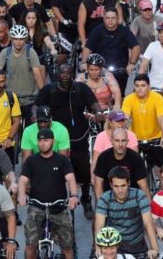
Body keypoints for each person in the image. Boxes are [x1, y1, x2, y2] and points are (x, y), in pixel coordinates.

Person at [35, 63, 104, 218]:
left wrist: (98, 112)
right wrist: (35, 116)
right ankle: (57, 201)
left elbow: (94, 103)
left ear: (72, 74)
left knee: (84, 170)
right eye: (62, 72)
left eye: (68, 72)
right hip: (57, 138)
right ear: (57, 74)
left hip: (78, 136)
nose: (65, 75)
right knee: (56, 171)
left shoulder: (81, 88)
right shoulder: (49, 90)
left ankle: (86, 198)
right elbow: (37, 105)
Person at [18, 128, 79, 259]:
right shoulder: (31, 161)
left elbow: (70, 179)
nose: (42, 143)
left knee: (67, 247)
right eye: (40, 141)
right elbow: (23, 180)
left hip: (59, 207)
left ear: (53, 141)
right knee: (30, 245)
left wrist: (73, 196)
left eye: (46, 140)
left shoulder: (62, 160)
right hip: (36, 207)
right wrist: (21, 195)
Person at [94, 166, 160, 258]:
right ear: (111, 185)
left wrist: (154, 248)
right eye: (116, 186)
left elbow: (148, 222)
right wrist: (98, 247)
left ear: (128, 183)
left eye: (123, 185)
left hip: (137, 244)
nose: (120, 190)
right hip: (115, 245)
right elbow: (99, 225)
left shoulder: (139, 195)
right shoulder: (105, 198)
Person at [122, 75, 163, 173]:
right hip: (136, 139)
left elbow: (161, 117)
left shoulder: (157, 97)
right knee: (131, 170)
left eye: (143, 85)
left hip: (156, 138)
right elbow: (125, 118)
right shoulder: (128, 99)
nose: (139, 88)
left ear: (149, 87)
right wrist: (125, 132)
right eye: (137, 86)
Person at [93, 128, 151, 200]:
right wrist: (101, 204)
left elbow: (143, 185)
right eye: (117, 140)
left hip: (132, 199)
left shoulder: (136, 158)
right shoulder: (103, 157)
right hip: (109, 199)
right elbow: (98, 182)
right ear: (111, 141)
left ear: (127, 141)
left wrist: (148, 206)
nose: (120, 144)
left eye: (123, 140)